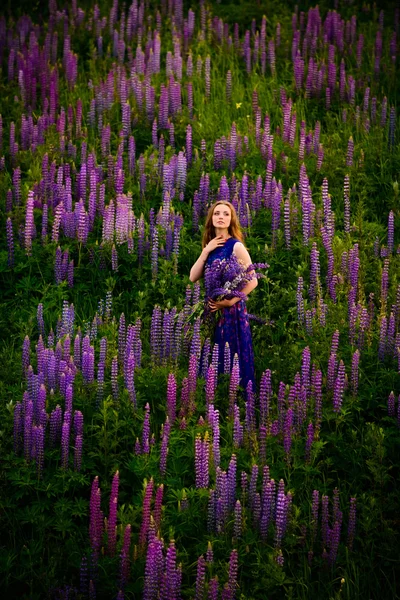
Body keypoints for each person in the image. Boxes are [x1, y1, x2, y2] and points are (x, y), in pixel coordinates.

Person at [189, 200, 257, 390]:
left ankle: (238, 402)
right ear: (211, 218)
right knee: (213, 358)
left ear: (231, 220)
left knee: (232, 356)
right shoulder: (211, 247)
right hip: (212, 311)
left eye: (226, 214)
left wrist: (229, 302)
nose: (221, 217)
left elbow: (253, 280)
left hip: (232, 312)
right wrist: (206, 251)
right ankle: (215, 400)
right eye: (217, 213)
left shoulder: (236, 246)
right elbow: (193, 277)